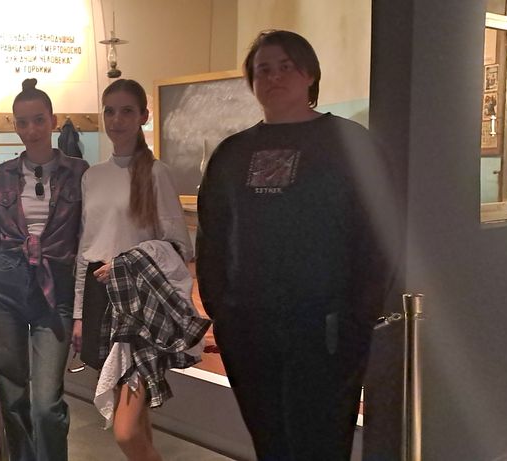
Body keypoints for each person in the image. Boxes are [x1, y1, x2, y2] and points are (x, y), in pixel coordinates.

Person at [196, 30, 396, 461]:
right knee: (271, 442)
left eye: (285, 66)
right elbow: (212, 237)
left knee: (322, 443)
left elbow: (379, 235)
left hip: (327, 331)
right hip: (250, 330)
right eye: (263, 69)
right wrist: (224, 313)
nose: (273, 77)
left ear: (309, 74)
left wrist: (357, 317)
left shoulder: (350, 143)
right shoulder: (231, 154)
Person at [73, 78, 196, 461]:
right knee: (137, 423)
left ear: (143, 115)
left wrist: (128, 263)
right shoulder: (92, 176)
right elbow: (85, 248)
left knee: (125, 431)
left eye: (127, 111)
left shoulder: (156, 173)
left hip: (139, 304)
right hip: (100, 297)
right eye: (110, 111)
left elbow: (179, 247)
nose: (117, 120)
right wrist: (78, 313)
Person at [0, 78, 89, 461]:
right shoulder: (1, 176)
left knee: (46, 402)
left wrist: (84, 310)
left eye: (39, 120)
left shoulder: (79, 172)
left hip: (56, 287)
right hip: (5, 285)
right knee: (12, 392)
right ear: (15, 126)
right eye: (23, 122)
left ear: (53, 121)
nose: (31, 129)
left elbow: (87, 240)